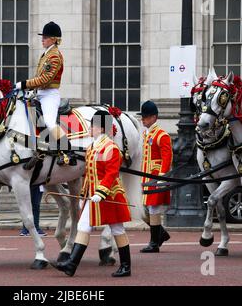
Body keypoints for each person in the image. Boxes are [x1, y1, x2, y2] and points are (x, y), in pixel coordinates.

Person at [53, 110, 132, 277]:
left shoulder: (111, 148)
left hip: (109, 195)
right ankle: (71, 264)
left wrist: (100, 192)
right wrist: (84, 195)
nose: (90, 128)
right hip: (93, 196)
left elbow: (111, 174)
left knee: (117, 229)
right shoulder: (92, 147)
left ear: (101, 128)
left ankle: (126, 266)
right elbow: (88, 174)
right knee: (83, 226)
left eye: (93, 126)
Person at [15, 21, 76, 169]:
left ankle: (68, 152)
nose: (42, 39)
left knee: (49, 121)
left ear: (54, 39)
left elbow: (45, 79)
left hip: (49, 94)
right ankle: (40, 149)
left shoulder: (55, 56)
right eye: (43, 36)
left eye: (46, 37)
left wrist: (23, 84)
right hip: (40, 93)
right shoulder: (46, 54)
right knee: (27, 115)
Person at [138, 100, 172, 253]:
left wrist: (162, 177)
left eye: (145, 117)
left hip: (156, 177)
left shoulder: (161, 135)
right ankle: (161, 234)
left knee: (153, 208)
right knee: (143, 209)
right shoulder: (146, 134)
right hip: (146, 177)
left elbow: (167, 156)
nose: (142, 119)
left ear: (154, 118)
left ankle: (154, 242)